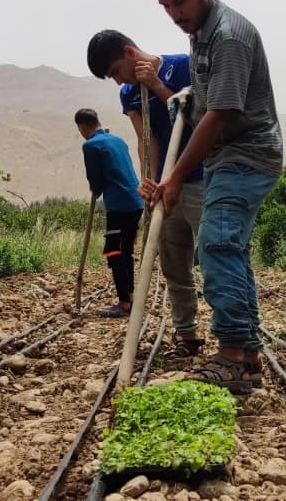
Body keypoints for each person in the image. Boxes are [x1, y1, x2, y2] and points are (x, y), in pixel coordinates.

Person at [146, 0, 284, 393]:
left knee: (217, 242)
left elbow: (220, 114)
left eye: (180, 2)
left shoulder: (226, 35)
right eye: (166, 6)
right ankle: (245, 357)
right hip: (230, 156)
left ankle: (230, 354)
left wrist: (175, 177)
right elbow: (208, 102)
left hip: (247, 154)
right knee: (230, 248)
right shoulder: (201, 29)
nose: (174, 14)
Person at [86, 30, 207, 358]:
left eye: (114, 71)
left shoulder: (182, 67)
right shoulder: (128, 93)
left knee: (214, 258)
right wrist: (148, 179)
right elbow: (145, 138)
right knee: (173, 263)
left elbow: (200, 120)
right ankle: (188, 336)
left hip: (199, 179)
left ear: (128, 52)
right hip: (165, 187)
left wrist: (155, 85)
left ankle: (232, 340)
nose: (116, 81)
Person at [74, 108, 144, 318]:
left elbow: (95, 180)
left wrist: (96, 188)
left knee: (115, 253)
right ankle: (130, 297)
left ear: (82, 126)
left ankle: (124, 303)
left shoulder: (91, 146)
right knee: (126, 251)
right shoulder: (117, 140)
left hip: (119, 205)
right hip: (135, 201)